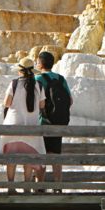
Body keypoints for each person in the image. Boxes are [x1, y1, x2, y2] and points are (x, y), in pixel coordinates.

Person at [1, 57, 46, 185]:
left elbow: (7, 103)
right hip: (31, 126)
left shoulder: (14, 84)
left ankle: (11, 187)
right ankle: (26, 187)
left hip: (13, 126)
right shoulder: (39, 86)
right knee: (29, 157)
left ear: (20, 71)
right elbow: (42, 105)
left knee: (11, 158)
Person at [35, 51, 73, 187]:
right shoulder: (61, 79)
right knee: (56, 155)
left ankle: (40, 187)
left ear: (40, 64)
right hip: (58, 123)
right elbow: (70, 100)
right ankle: (58, 187)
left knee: (41, 155)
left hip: (43, 123)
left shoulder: (37, 79)